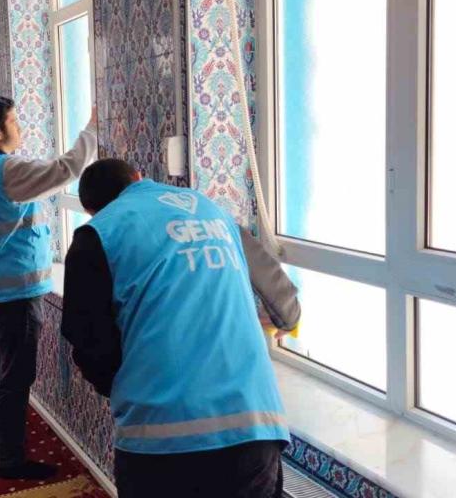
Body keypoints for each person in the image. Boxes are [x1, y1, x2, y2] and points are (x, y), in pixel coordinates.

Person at [61, 159, 301, 498]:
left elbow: (89, 344)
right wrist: (289, 322)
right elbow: (279, 292)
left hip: (159, 440)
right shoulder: (210, 209)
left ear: (91, 210)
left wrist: (127, 387)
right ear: (138, 178)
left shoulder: (97, 233)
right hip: (252, 426)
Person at [0, 96, 97, 480]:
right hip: (14, 292)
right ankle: (12, 460)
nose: (21, 128)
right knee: (15, 376)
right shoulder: (7, 170)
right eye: (15, 121)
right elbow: (65, 169)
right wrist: (92, 129)